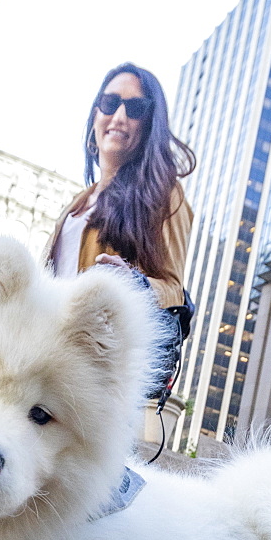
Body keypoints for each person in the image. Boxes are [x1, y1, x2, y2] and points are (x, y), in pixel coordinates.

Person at [45, 62, 195, 399]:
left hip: (98, 370)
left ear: (149, 123)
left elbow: (173, 287)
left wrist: (133, 283)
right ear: (96, 115)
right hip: (50, 355)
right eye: (110, 103)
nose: (120, 116)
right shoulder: (77, 203)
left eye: (135, 108)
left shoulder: (164, 195)